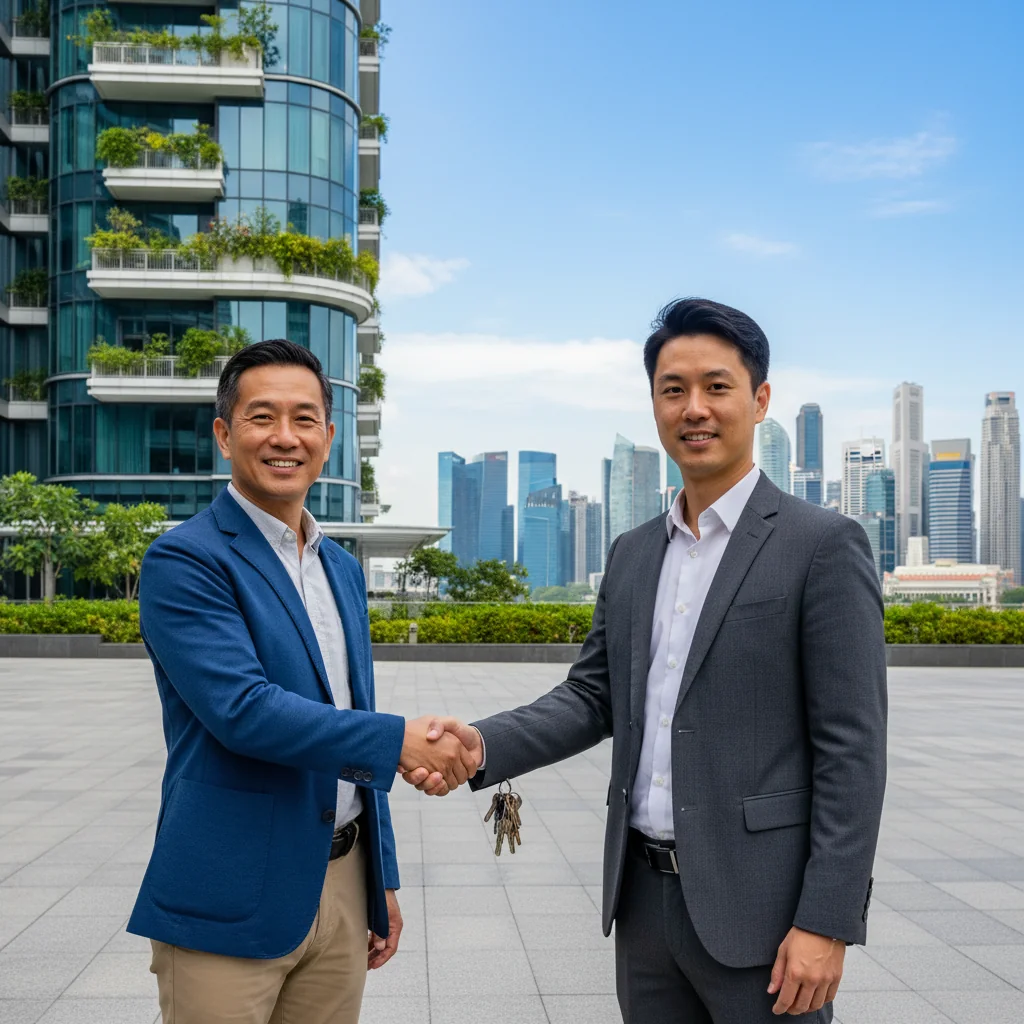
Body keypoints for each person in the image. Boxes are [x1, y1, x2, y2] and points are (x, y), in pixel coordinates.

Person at [406, 298, 887, 1022]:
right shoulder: (633, 552)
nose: (694, 409)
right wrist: (482, 747)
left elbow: (853, 751)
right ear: (656, 404)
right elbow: (593, 696)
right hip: (644, 907)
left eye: (717, 387)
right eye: (673, 389)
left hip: (763, 912)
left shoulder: (821, 545)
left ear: (759, 401)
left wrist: (828, 919)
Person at [128, 339, 476, 1024]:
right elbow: (244, 710)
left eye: (304, 419)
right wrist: (401, 741)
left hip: (343, 881)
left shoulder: (341, 568)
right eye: (262, 418)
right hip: (231, 890)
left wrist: (382, 881)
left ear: (329, 437)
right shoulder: (185, 560)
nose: (284, 437)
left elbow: (352, 712)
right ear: (225, 436)